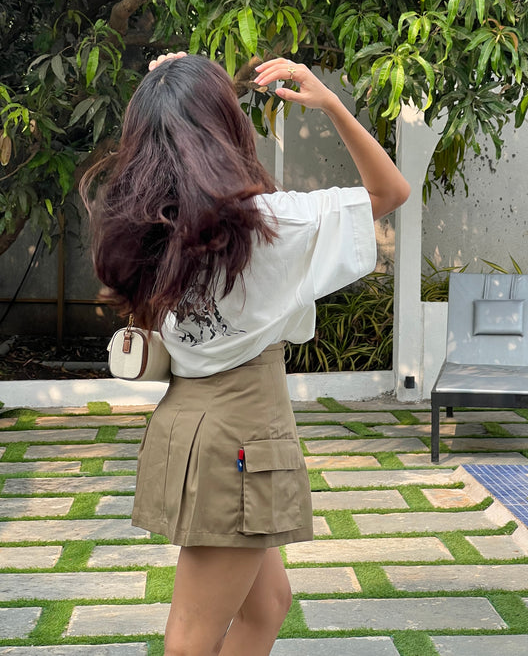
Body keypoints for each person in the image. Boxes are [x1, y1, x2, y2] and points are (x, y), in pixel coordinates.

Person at [81, 53, 410, 656]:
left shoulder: (149, 227)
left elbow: (184, 146)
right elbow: (391, 190)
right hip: (241, 432)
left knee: (267, 606)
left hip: (194, 418)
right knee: (190, 642)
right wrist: (331, 102)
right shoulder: (273, 225)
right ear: (226, 129)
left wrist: (170, 90)